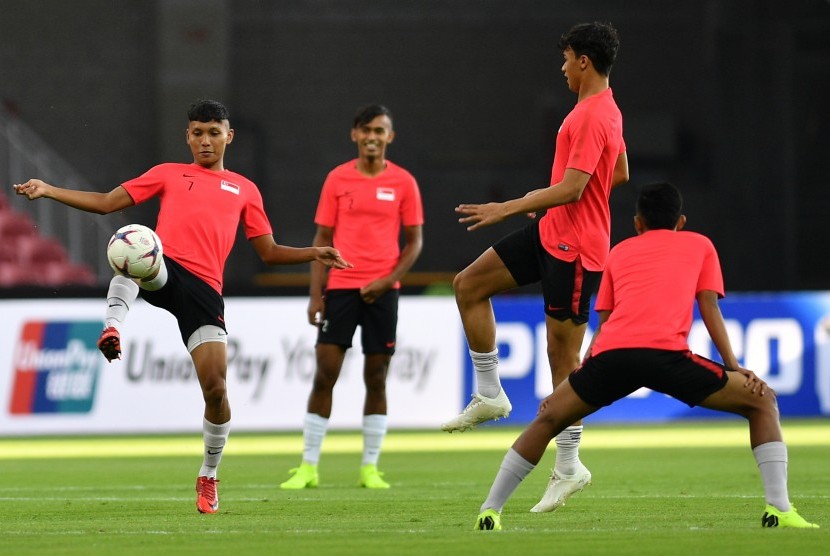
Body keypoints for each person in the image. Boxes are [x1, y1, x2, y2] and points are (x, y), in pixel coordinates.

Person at [12, 99, 350, 514]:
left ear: (229, 135)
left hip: (205, 291)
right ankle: (112, 326)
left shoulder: (245, 189)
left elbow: (269, 251)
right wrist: (47, 189)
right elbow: (104, 202)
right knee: (135, 246)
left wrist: (314, 253)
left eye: (213, 132)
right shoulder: (168, 174)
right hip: (165, 268)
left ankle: (208, 476)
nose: (205, 141)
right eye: (196, 132)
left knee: (217, 389)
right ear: (187, 136)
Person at [473, 181, 819, 531]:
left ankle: (490, 511)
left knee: (547, 419)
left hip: (613, 358)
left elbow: (605, 323)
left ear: (638, 223)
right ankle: (779, 509)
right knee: (762, 403)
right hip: (666, 357)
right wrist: (735, 367)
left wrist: (583, 374)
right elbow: (709, 307)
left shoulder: (619, 252)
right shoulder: (701, 245)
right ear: (680, 221)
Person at [442, 21, 628, 513]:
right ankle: (490, 393)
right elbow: (619, 172)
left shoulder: (591, 115)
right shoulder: (605, 110)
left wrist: (511, 205)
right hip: (551, 233)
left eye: (567, 58)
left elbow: (573, 187)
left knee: (562, 362)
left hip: (577, 251)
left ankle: (569, 465)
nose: (563, 67)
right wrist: (560, 203)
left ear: (584, 61)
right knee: (469, 285)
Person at [279, 104, 423, 490]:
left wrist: (388, 280)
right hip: (340, 289)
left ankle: (369, 468)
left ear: (389, 136)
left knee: (376, 378)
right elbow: (321, 241)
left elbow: (415, 242)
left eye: (380, 130)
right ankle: (308, 467)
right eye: (366, 130)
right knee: (325, 373)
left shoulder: (405, 183)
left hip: (383, 292)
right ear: (355, 135)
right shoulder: (337, 179)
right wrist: (315, 295)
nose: (372, 137)